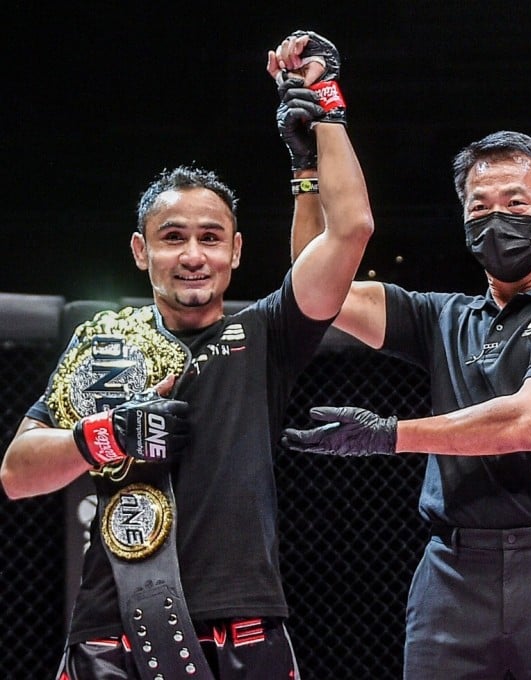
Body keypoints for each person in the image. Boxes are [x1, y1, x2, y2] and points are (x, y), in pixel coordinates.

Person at [0, 29, 372, 679]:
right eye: (173, 238)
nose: (193, 254)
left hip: (246, 630)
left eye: (209, 237)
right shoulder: (104, 340)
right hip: (111, 631)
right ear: (142, 253)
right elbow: (17, 474)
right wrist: (104, 436)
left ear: (235, 252)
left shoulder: (265, 334)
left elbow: (350, 231)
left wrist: (323, 122)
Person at [269, 32, 531, 680]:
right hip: (449, 571)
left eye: (516, 205)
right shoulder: (443, 316)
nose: (496, 221)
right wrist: (310, 166)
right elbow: (314, 285)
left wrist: (389, 436)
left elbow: (529, 423)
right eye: (479, 207)